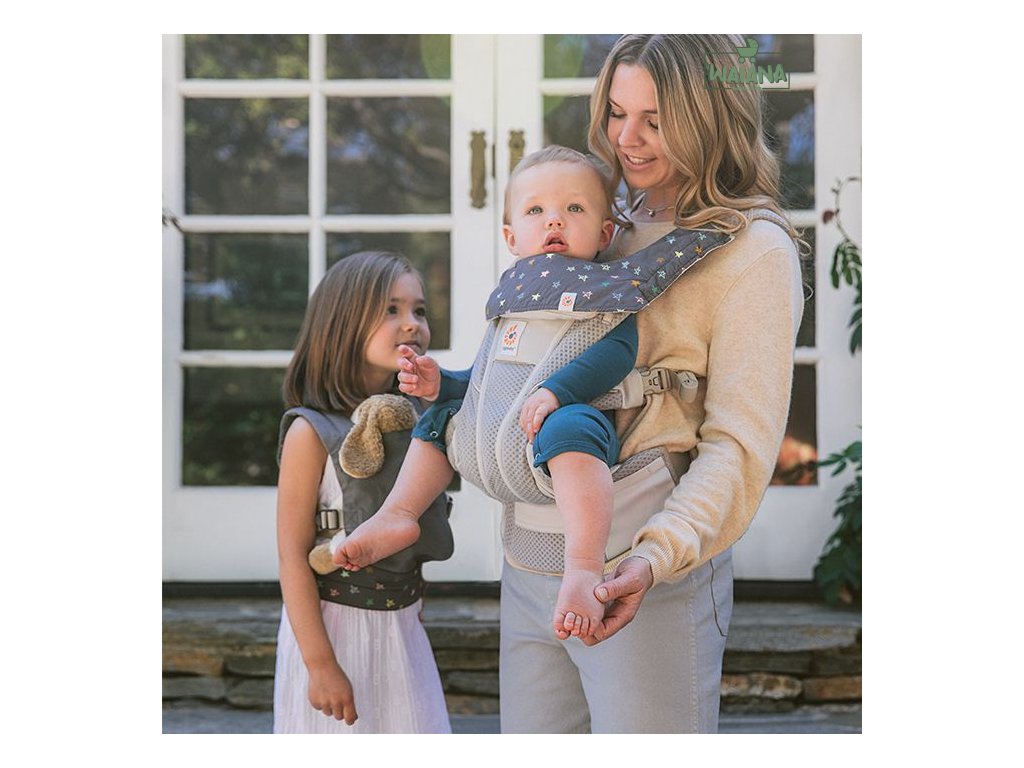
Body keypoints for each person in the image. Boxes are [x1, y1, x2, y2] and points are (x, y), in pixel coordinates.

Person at [490, 34, 806, 733]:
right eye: (616, 112)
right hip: (529, 556)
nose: (626, 139)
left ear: (710, 116)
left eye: (655, 120)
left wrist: (654, 560)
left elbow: (738, 448)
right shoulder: (590, 218)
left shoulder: (752, 251)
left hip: (644, 573)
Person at [334, 146, 633, 640]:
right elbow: (489, 378)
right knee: (442, 415)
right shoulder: (513, 303)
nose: (554, 220)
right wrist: (443, 384)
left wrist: (558, 392)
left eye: (575, 208)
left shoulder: (607, 293)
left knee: (570, 424)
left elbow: (617, 355)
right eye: (536, 210)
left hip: (565, 434)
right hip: (496, 445)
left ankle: (583, 566)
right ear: (512, 238)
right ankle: (399, 514)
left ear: (604, 234)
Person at [272, 251, 453, 734]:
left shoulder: (418, 423)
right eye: (391, 309)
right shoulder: (310, 432)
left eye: (419, 310)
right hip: (334, 631)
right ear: (342, 321)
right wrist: (320, 666)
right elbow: (291, 557)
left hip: (402, 628)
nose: (412, 323)